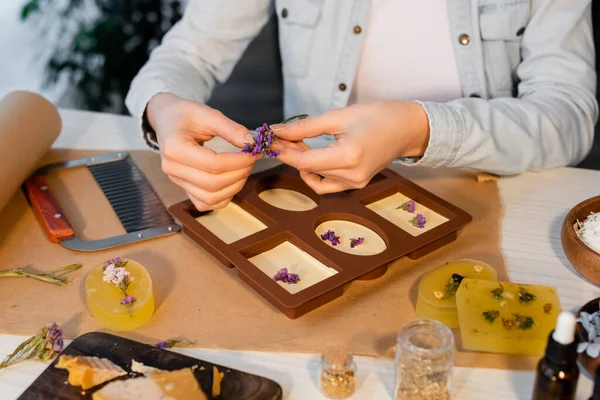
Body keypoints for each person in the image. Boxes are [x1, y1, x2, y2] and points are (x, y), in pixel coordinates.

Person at [126, 0, 598, 211]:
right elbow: (189, 53)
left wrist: (419, 129)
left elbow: (569, 112)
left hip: (487, 201)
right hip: (314, 199)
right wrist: (163, 110)